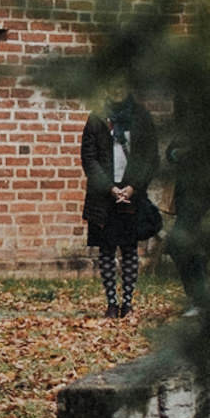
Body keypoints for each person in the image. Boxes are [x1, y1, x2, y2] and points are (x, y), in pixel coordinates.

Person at [81, 93, 166, 319]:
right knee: (106, 249)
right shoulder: (97, 118)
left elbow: (150, 157)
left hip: (131, 192)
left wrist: (133, 187)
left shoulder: (140, 118)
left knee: (129, 248)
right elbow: (89, 158)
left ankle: (127, 303)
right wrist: (109, 187)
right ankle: (111, 303)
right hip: (103, 194)